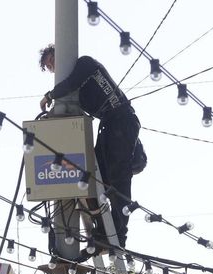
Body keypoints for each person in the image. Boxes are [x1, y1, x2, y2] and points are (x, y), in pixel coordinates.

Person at [38, 45, 143, 256]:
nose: (54, 68)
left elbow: (71, 82)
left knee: (118, 178)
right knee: (97, 177)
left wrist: (49, 95)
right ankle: (104, 230)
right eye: (50, 67)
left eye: (53, 61)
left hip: (120, 121)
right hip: (111, 125)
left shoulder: (85, 63)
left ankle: (118, 236)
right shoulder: (76, 84)